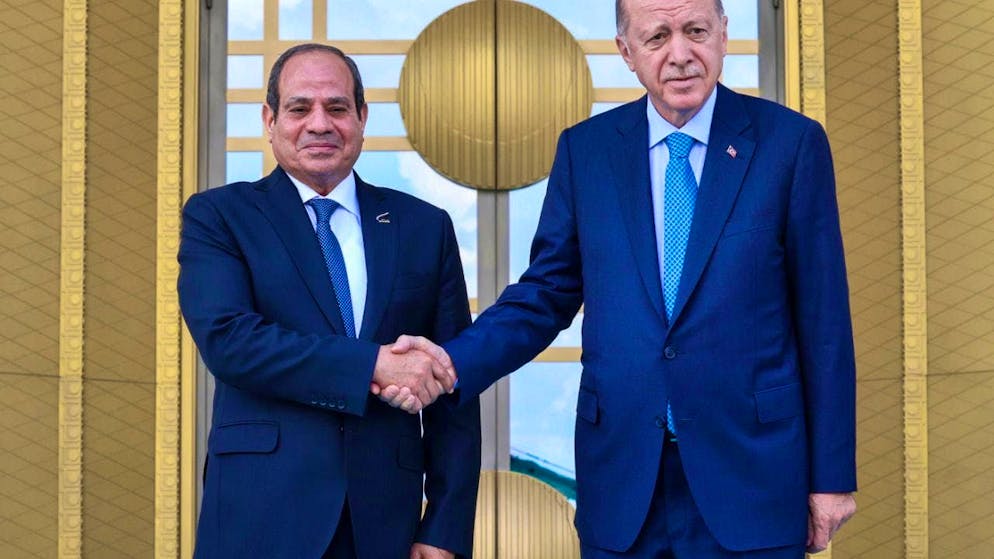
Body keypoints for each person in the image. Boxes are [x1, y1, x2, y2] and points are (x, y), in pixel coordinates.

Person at [386, 0, 857, 557]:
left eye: (696, 31)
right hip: (625, 477)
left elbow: (823, 321)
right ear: (626, 52)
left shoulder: (791, 145)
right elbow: (545, 293)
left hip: (752, 473)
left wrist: (831, 477)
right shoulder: (586, 152)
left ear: (725, 35)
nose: (680, 54)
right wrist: (449, 365)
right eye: (657, 37)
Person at [177, 43, 480, 559]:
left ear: (362, 118)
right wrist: (374, 365)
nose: (320, 123)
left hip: (388, 523)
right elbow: (231, 342)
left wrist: (445, 527)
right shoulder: (219, 216)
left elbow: (453, 385)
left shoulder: (424, 227)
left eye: (337, 108)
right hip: (261, 516)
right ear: (270, 120)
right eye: (299, 108)